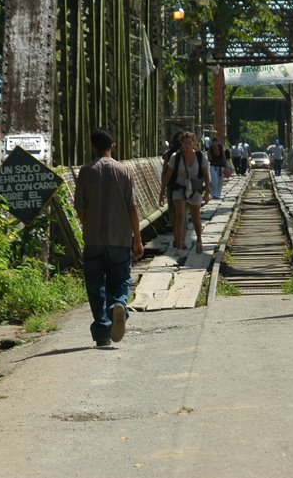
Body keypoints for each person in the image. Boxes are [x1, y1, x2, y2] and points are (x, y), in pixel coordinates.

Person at [74, 129, 144, 347]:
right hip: (120, 238)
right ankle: (119, 304)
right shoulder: (124, 171)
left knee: (96, 286)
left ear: (93, 147)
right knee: (121, 280)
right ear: (112, 146)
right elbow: (132, 208)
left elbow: (80, 209)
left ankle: (103, 334)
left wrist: (90, 226)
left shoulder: (85, 172)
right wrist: (137, 238)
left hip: (94, 239)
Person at [159, 131, 211, 253]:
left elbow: (206, 175)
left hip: (194, 189)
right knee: (180, 217)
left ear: (194, 143)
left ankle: (199, 240)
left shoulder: (200, 156)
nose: (187, 145)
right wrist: (162, 192)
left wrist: (207, 192)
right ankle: (179, 246)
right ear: (182, 144)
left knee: (195, 217)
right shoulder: (175, 157)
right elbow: (168, 175)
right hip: (180, 188)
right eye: (185, 143)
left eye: (190, 142)